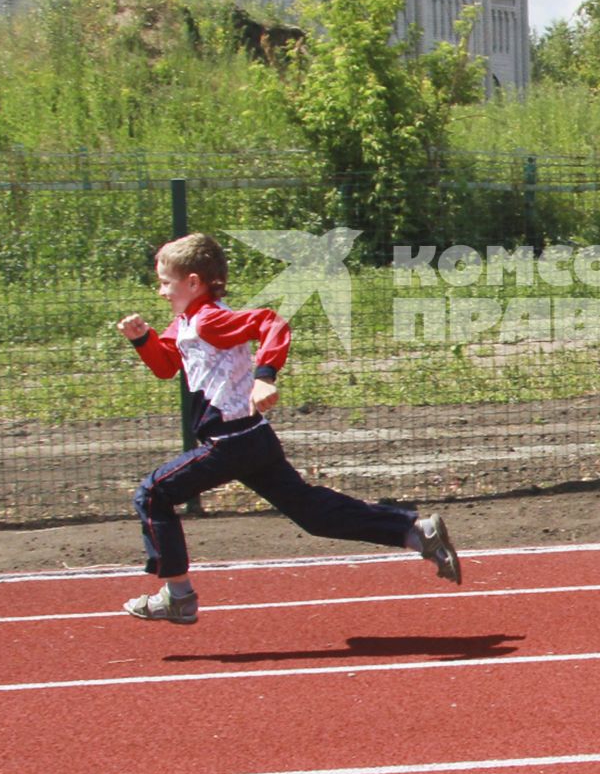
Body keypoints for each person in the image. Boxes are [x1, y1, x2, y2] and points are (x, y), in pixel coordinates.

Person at [115, 233, 460, 624]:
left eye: (165, 282)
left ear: (193, 283)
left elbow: (271, 323)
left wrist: (265, 376)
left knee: (154, 494)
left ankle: (178, 596)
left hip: (229, 441)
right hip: (251, 438)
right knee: (313, 515)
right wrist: (142, 339)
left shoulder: (210, 319)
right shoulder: (186, 322)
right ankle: (416, 532)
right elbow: (165, 367)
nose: (160, 291)